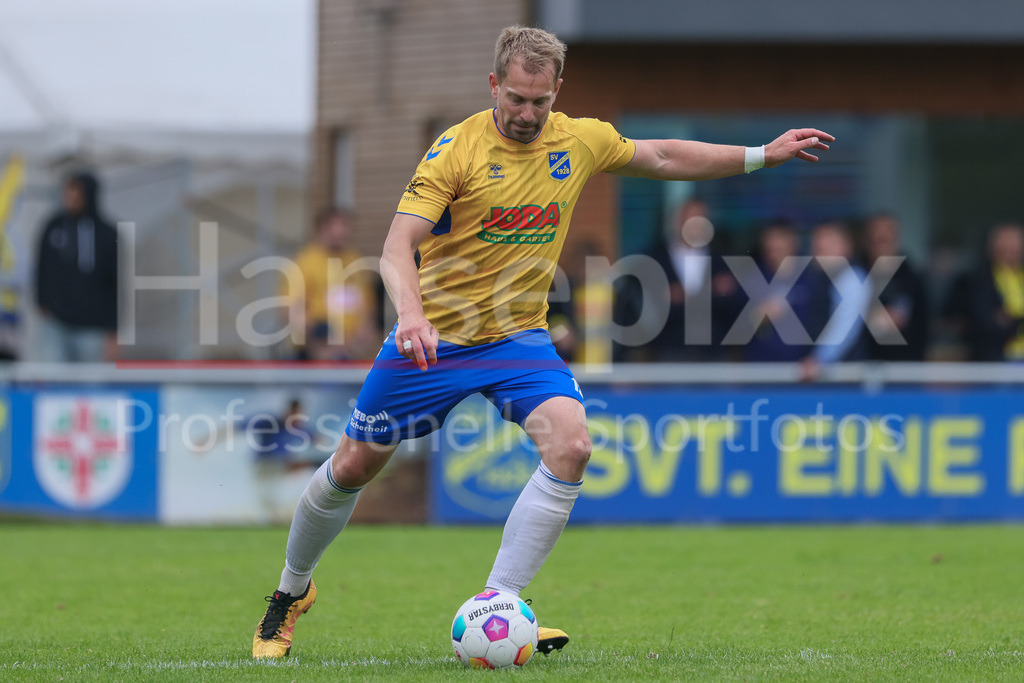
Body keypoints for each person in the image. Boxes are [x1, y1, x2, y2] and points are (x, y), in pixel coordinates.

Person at [251, 25, 834, 659]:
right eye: (516, 99)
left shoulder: (579, 140)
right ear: (494, 85)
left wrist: (760, 155)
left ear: (557, 90)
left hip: (517, 338)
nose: (527, 114)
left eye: (540, 101)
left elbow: (663, 156)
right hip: (434, 337)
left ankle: (500, 603)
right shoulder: (455, 151)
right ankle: (289, 593)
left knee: (573, 444)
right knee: (352, 467)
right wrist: (412, 315)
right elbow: (397, 246)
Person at [614, 198, 742, 362]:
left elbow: (732, 308)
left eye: (700, 218)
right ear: (677, 221)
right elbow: (646, 312)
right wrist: (709, 294)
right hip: (668, 355)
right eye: (690, 218)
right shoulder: (654, 260)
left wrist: (684, 299)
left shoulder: (723, 261)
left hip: (715, 355)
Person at [34, 171, 119, 362]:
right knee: (52, 383)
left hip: (92, 327)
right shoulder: (54, 226)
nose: (71, 199)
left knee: (89, 387)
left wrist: (114, 330)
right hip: (56, 324)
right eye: (68, 193)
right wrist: (41, 303)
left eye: (77, 194)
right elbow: (41, 267)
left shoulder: (107, 233)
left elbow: (116, 283)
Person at [284, 208, 379, 360]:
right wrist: (319, 339)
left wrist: (364, 331)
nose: (341, 231)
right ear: (321, 229)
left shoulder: (354, 260)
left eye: (345, 226)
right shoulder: (306, 262)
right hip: (317, 351)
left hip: (352, 351)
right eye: (335, 226)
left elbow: (367, 303)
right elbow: (292, 308)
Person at [741, 219, 823, 362]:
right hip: (760, 369)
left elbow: (820, 322)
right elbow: (738, 328)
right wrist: (758, 317)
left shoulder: (811, 279)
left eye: (779, 238)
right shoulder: (753, 278)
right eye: (769, 239)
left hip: (801, 371)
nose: (773, 244)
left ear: (793, 242)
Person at [799, 221, 870, 381]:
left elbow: (845, 325)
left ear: (845, 247)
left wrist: (819, 359)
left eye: (826, 249)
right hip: (823, 373)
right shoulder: (817, 279)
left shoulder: (851, 278)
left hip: (843, 377)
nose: (819, 254)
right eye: (817, 248)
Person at [858, 213, 929, 361]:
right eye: (876, 236)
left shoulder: (912, 279)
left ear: (896, 238)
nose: (881, 238)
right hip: (861, 367)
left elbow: (923, 326)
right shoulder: (854, 275)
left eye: (887, 235)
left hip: (902, 368)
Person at [963, 222, 1024, 361]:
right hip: (995, 362)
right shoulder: (979, 280)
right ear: (992, 248)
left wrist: (1009, 318)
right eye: (1004, 245)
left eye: (1013, 245)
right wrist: (1017, 322)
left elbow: (1002, 319)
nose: (1008, 249)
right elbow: (984, 323)